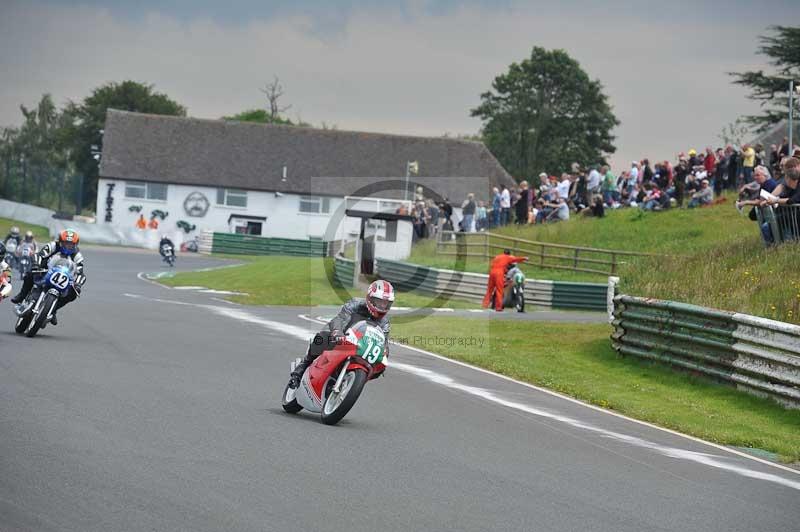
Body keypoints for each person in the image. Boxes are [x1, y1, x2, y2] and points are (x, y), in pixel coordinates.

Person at [289, 280, 394, 388]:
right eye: (379, 302)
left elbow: (383, 343)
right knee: (322, 338)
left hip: (361, 348)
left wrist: (384, 356)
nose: (382, 306)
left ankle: (352, 383)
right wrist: (337, 332)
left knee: (378, 370)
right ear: (370, 298)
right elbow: (339, 319)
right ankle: (302, 367)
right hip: (343, 337)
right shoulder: (355, 304)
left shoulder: (384, 323)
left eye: (386, 304)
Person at [10, 229, 86, 325]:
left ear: (75, 244)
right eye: (66, 243)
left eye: (71, 244)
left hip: (64, 276)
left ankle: (53, 309)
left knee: (73, 294)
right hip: (46, 269)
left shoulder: (77, 255)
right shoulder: (53, 245)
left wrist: (78, 284)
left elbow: (80, 272)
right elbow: (40, 255)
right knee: (29, 273)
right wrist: (36, 265)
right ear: (60, 242)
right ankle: (22, 295)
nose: (68, 246)